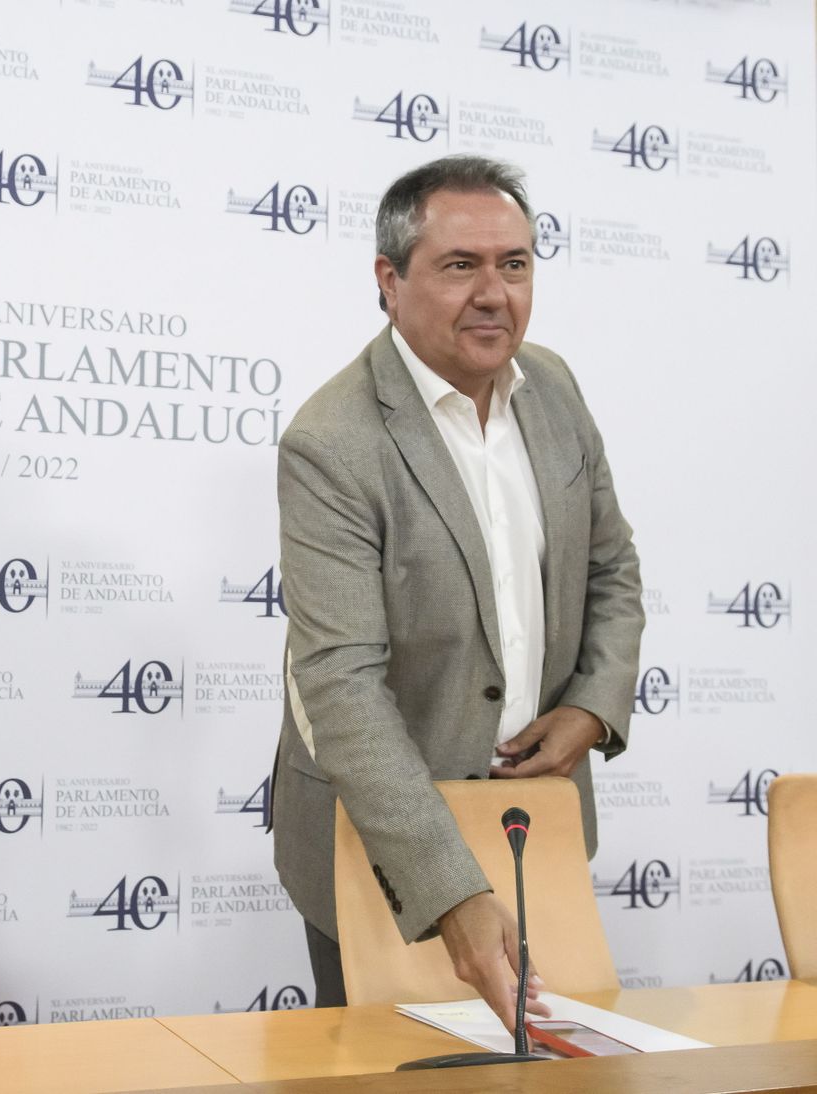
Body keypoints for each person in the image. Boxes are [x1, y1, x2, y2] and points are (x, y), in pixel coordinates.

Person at [269, 155, 642, 1034]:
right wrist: (449, 890)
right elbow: (340, 687)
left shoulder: (552, 387)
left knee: (555, 1061)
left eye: (514, 265)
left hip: (535, 823)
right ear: (388, 282)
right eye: (460, 266)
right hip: (383, 840)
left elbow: (613, 570)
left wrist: (592, 706)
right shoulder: (332, 442)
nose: (493, 293)